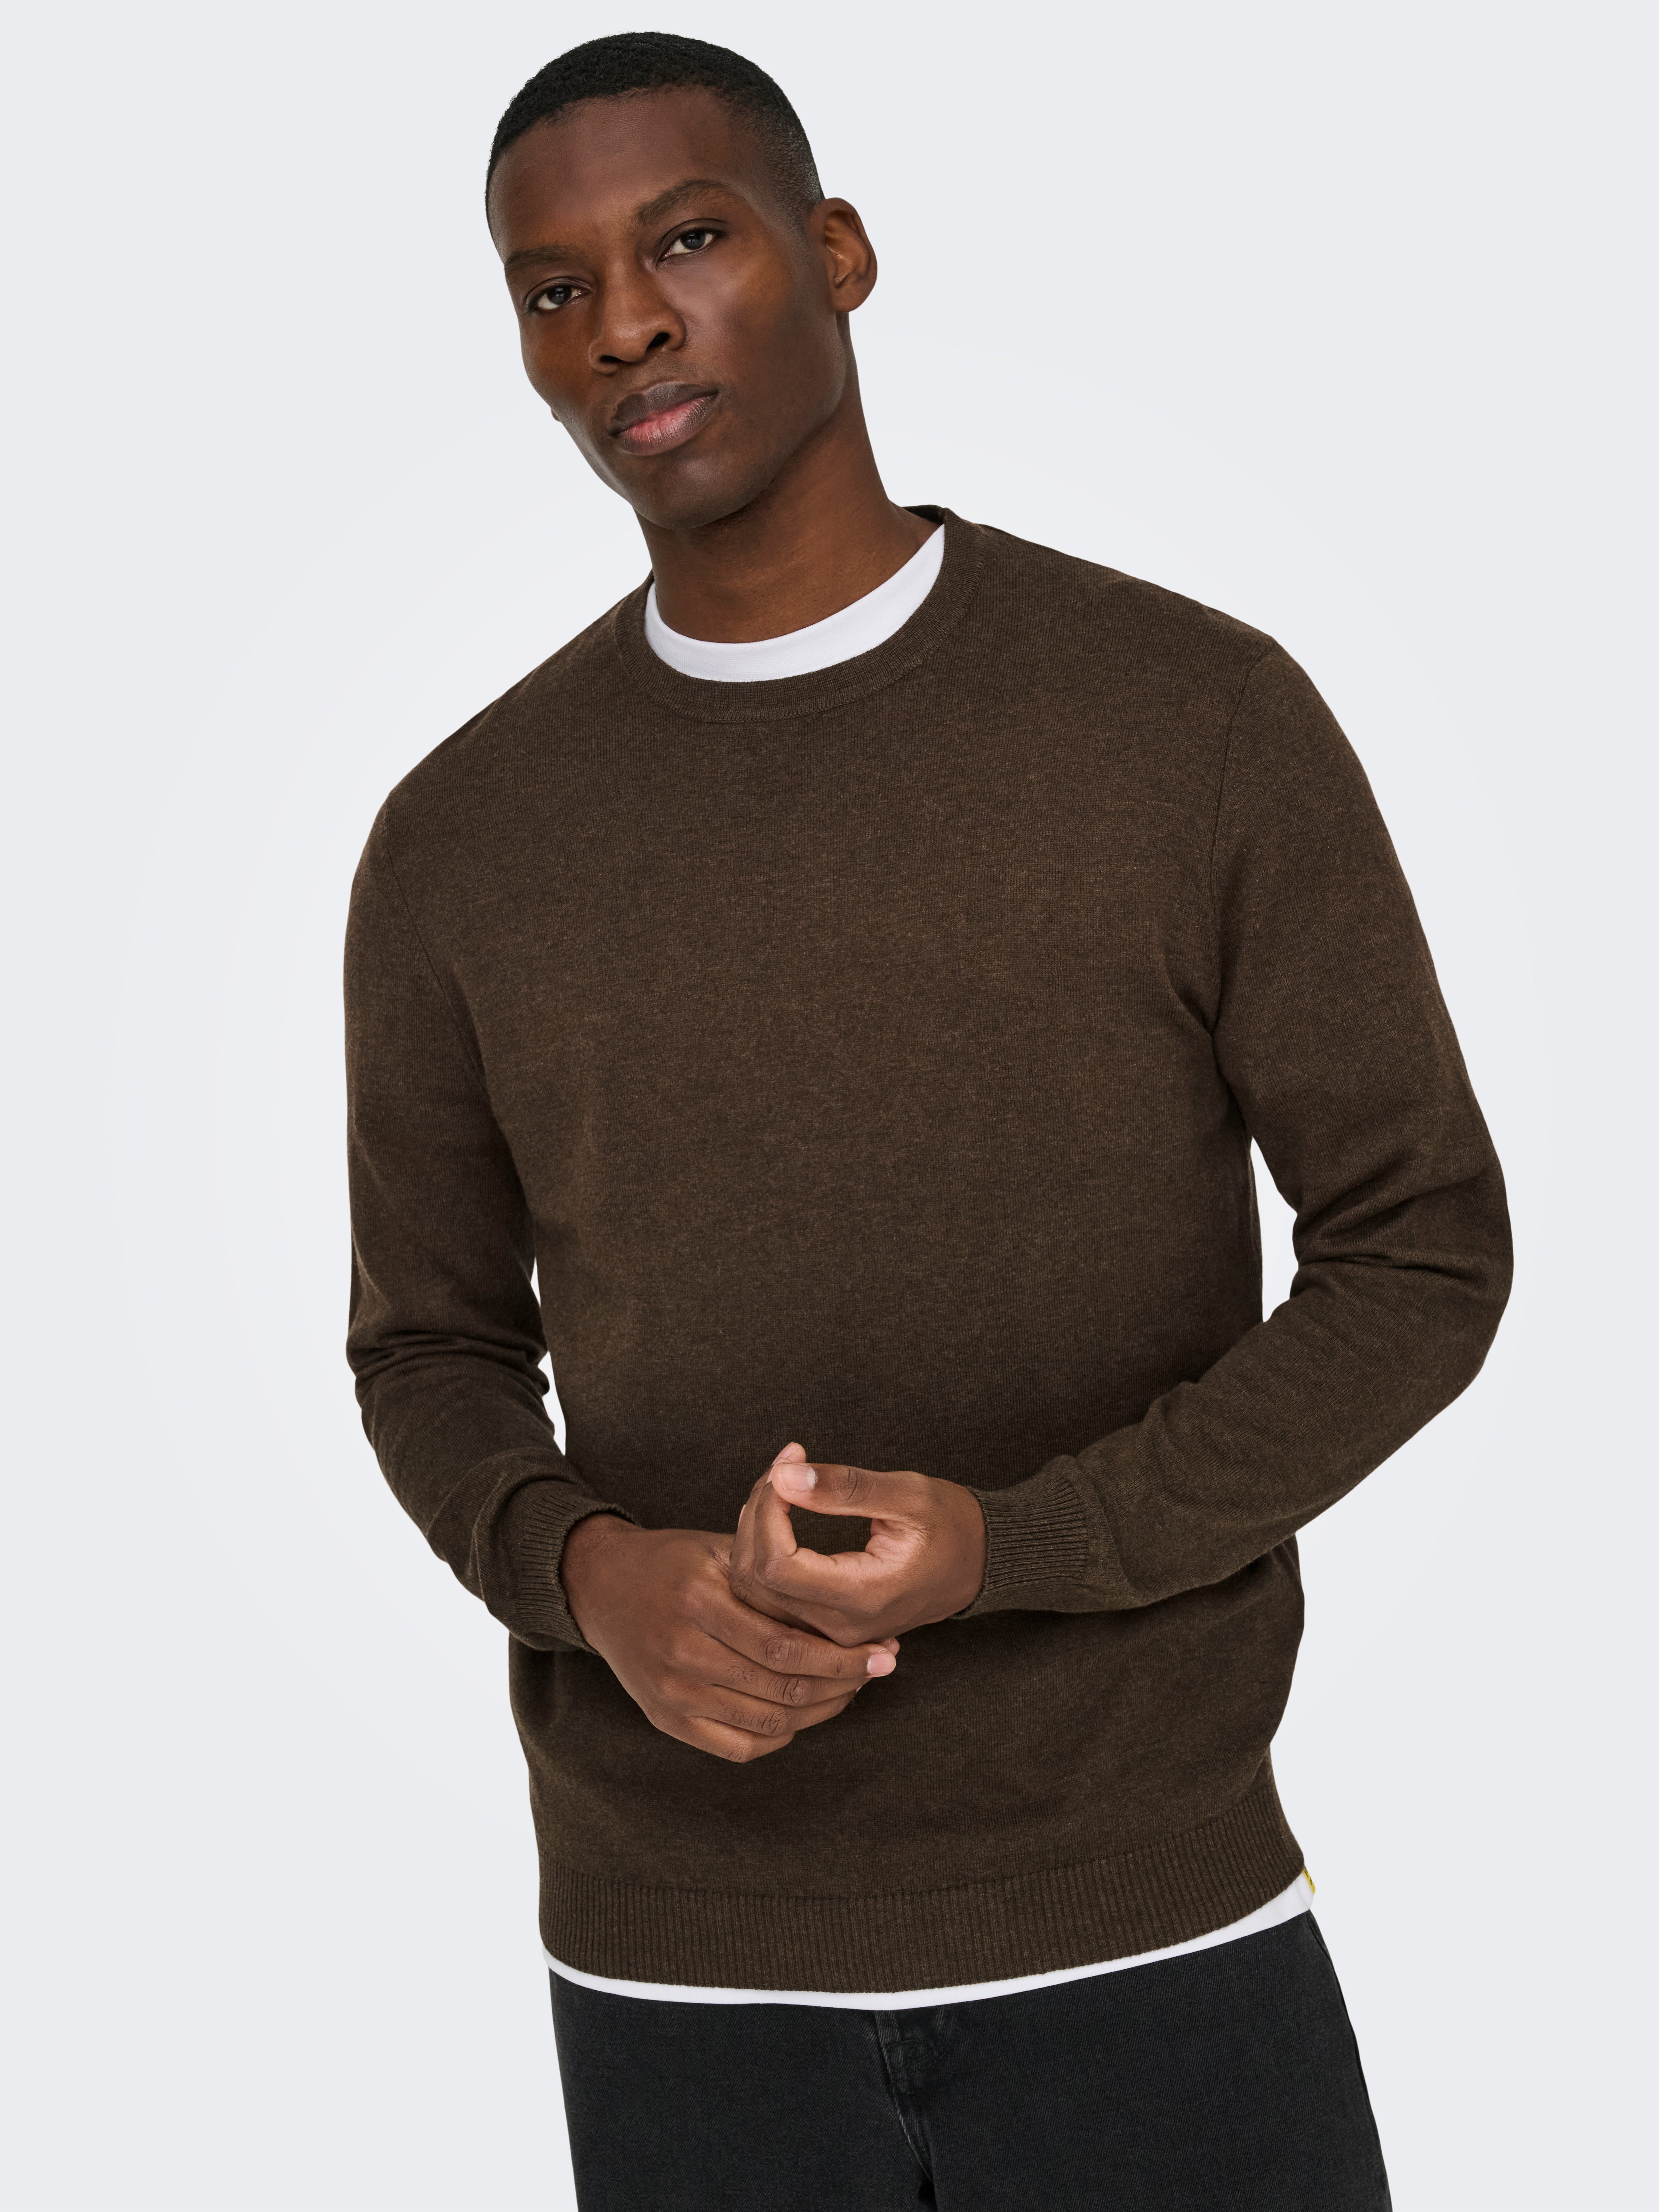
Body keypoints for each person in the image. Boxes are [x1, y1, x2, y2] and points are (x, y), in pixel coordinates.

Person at [343, 31, 1511, 2210]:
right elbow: (425, 1348)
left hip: (1149, 1918)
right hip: (679, 1972)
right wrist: (593, 1576)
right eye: (553, 287)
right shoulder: (460, 840)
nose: (623, 327)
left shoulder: (1194, 721)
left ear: (840, 252)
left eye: (689, 240)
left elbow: (1421, 1249)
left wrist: (1021, 1548)